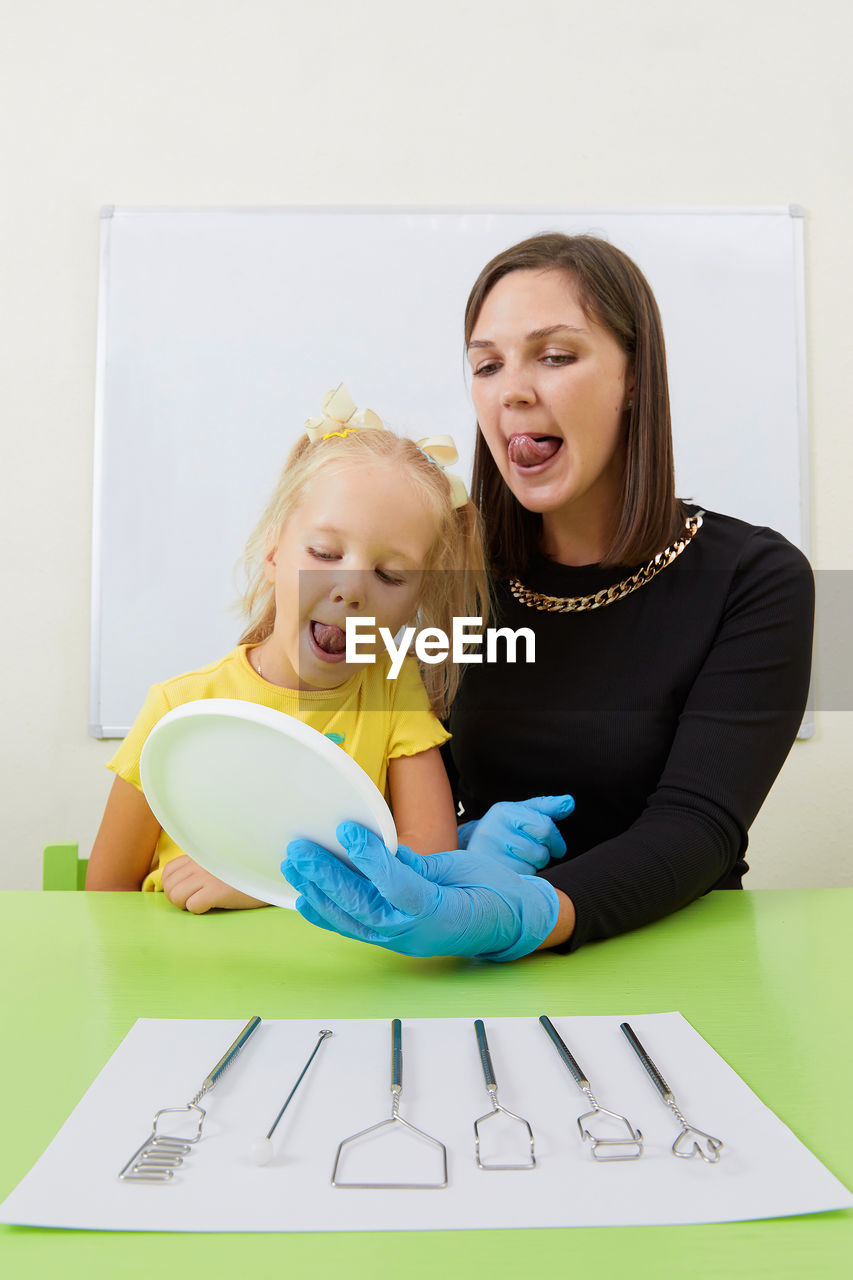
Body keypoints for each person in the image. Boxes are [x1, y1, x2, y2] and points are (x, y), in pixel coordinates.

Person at [283, 233, 814, 959]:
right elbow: (386, 777)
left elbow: (699, 827)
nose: (512, 390)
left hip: (681, 959)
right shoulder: (438, 575)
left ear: (634, 376)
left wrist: (529, 915)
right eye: (487, 365)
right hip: (460, 961)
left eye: (556, 356)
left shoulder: (758, 579)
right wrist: (457, 845)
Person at [86, 385, 489, 913]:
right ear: (275, 551)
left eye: (391, 575)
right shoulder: (176, 710)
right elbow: (100, 904)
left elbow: (428, 870)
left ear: (418, 599)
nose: (352, 589)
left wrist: (260, 882)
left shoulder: (397, 694)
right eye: (324, 552)